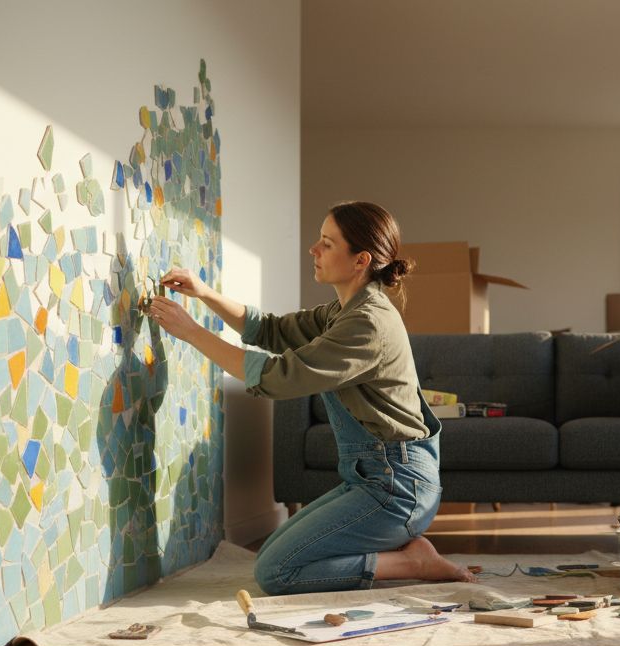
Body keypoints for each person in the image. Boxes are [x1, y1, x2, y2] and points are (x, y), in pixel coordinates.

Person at [146, 201, 476, 595]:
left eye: (326, 243)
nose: (313, 250)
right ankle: (400, 549)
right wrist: (203, 293)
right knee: (273, 553)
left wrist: (191, 332)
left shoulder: (366, 323)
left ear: (360, 260)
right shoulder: (344, 311)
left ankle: (410, 560)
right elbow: (270, 330)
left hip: (397, 489)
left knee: (275, 572)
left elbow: (277, 378)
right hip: (371, 479)